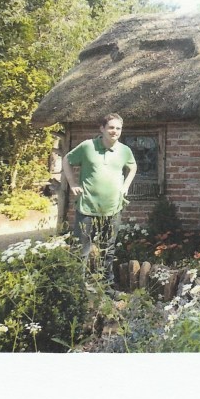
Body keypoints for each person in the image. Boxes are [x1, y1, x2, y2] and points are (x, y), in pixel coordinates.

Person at [62, 113, 137, 288]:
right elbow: (66, 160)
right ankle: (77, 288)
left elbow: (133, 166)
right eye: (111, 127)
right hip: (87, 207)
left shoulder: (124, 150)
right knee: (81, 250)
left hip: (112, 209)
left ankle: (107, 287)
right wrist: (72, 183)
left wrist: (125, 186)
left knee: (108, 250)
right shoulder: (87, 147)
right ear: (102, 128)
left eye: (118, 128)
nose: (115, 131)